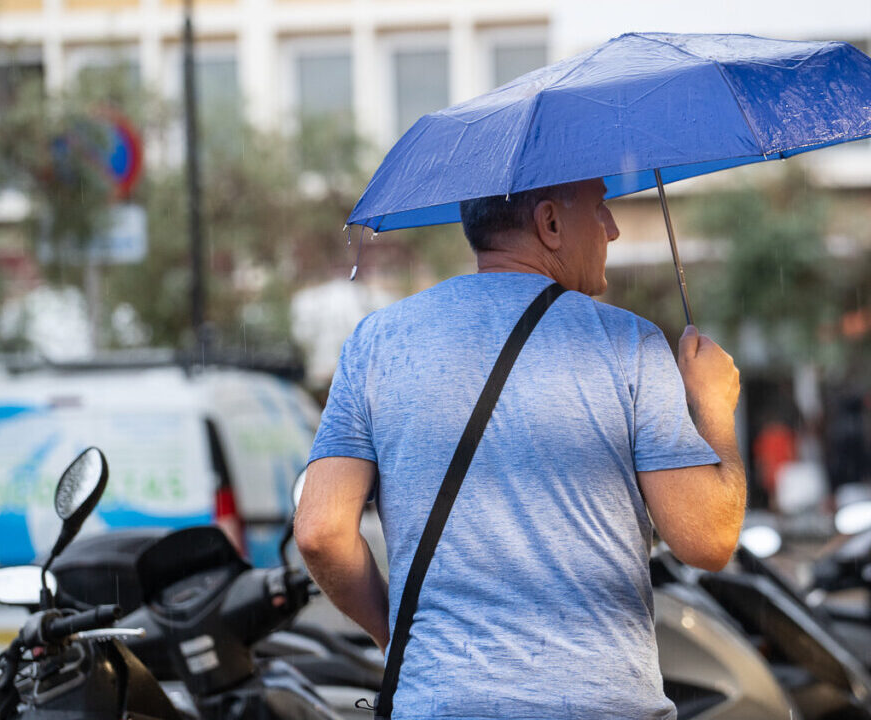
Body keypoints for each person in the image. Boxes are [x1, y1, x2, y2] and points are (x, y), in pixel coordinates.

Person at [294, 177, 746, 719]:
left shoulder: (377, 342)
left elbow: (320, 531)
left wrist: (398, 637)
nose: (614, 228)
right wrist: (715, 409)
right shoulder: (629, 343)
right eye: (601, 208)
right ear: (550, 223)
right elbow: (708, 538)